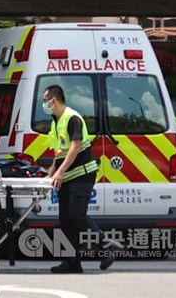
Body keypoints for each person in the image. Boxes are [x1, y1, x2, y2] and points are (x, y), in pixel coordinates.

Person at [44, 84, 115, 273]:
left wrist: (59, 173)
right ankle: (73, 262)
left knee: (77, 214)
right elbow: (59, 152)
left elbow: (75, 148)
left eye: (45, 101)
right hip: (67, 177)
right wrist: (50, 173)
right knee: (66, 219)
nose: (44, 104)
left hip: (82, 174)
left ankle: (107, 246)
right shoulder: (56, 121)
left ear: (55, 100)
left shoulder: (72, 118)